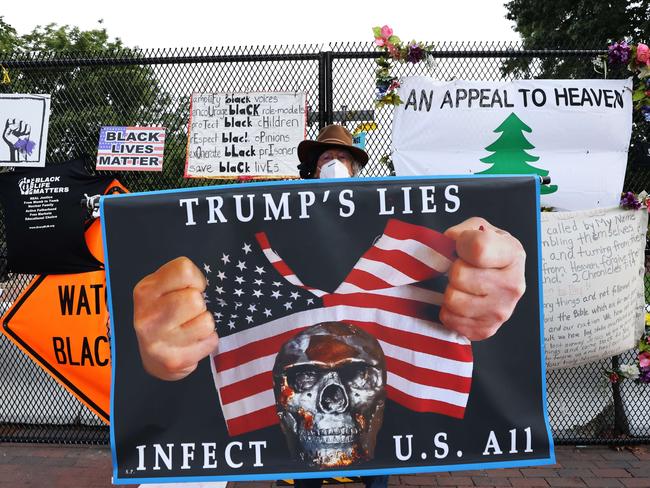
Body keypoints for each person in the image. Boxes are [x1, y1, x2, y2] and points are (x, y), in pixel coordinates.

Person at [132, 125, 527, 486]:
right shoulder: (282, 210)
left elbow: (447, 228)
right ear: (311, 166)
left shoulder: (384, 205)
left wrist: (484, 249)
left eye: (341, 158)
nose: (333, 164)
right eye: (324, 158)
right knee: (303, 462)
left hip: (384, 396)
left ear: (356, 166)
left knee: (379, 460)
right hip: (291, 411)